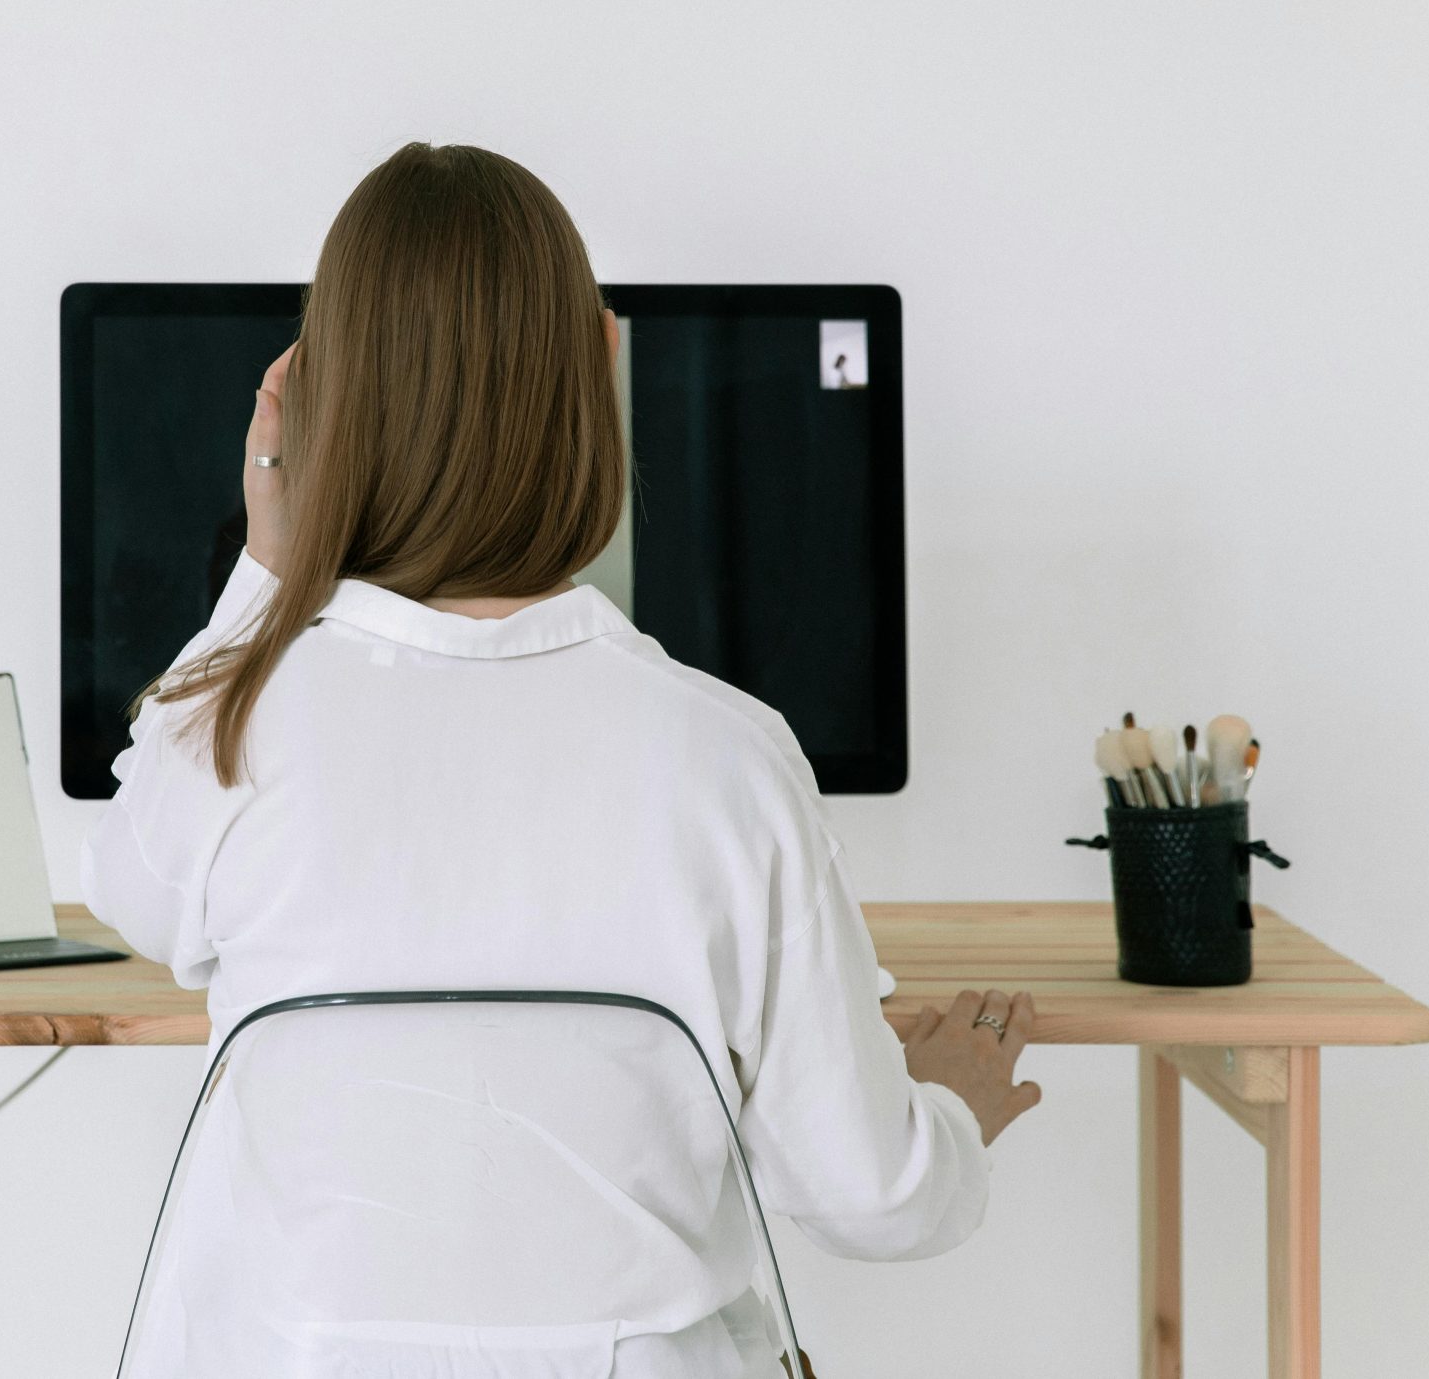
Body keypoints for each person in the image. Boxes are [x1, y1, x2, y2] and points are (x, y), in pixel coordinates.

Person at [85, 142, 1040, 1377]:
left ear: (313, 410)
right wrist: (948, 1108)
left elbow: (135, 894)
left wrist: (268, 573)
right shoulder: (729, 760)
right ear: (603, 364)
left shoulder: (235, 739)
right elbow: (867, 1196)